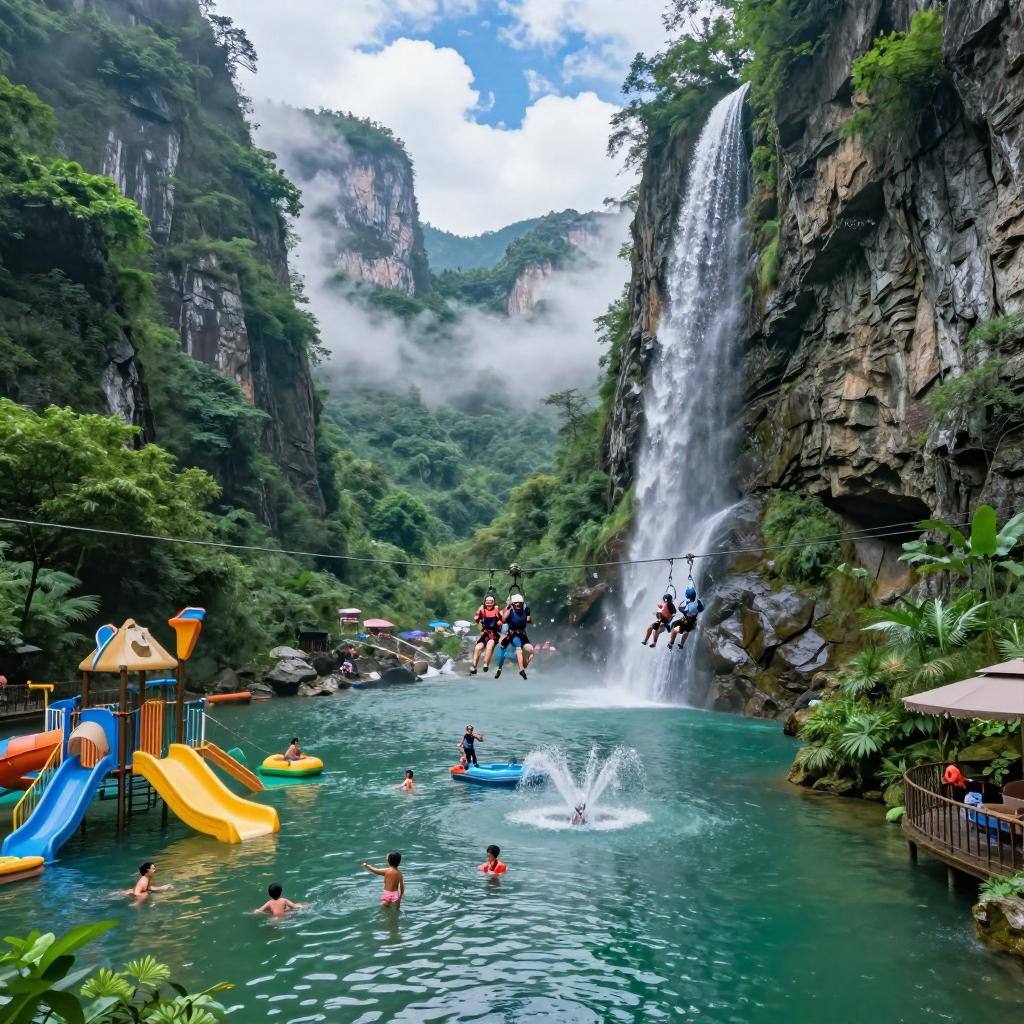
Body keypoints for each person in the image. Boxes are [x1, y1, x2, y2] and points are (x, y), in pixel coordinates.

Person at [495, 594, 533, 679]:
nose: (518, 605)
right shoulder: (509, 611)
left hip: (522, 635)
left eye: (520, 603)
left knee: (531, 650)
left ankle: (524, 665)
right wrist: (508, 609)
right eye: (516, 603)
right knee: (504, 652)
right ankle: (500, 668)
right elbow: (503, 620)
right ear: (512, 604)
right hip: (511, 634)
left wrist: (528, 613)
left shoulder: (525, 610)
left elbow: (529, 621)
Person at [470, 595, 502, 675]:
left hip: (494, 634)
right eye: (487, 602)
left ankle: (485, 664)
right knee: (477, 648)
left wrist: (500, 621)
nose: (489, 603)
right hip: (484, 634)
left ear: (494, 603)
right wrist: (476, 618)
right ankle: (474, 667)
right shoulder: (481, 609)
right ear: (484, 602)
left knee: (489, 645)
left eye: (491, 602)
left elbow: (502, 620)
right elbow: (476, 620)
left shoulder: (497, 610)